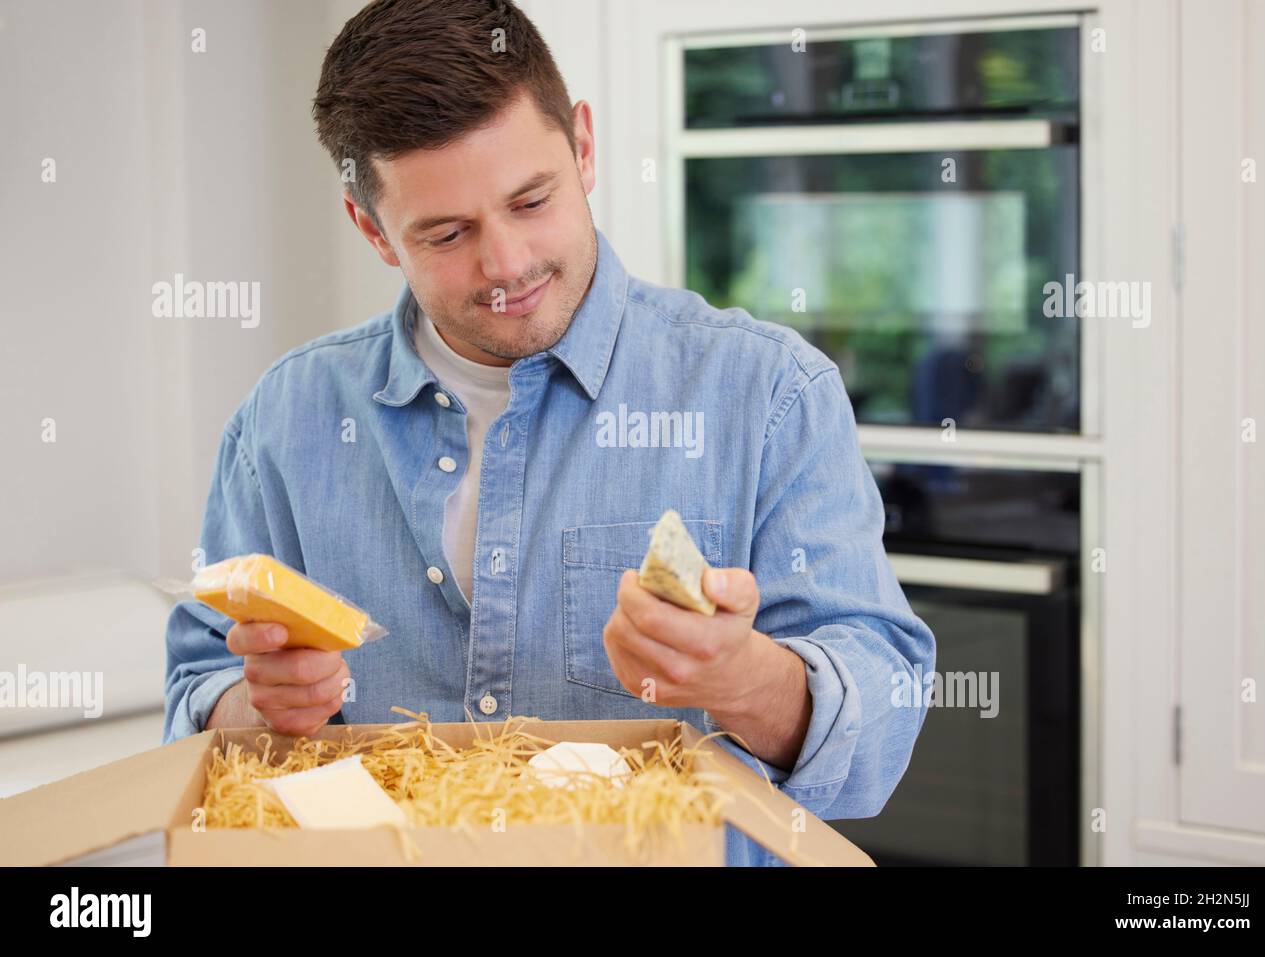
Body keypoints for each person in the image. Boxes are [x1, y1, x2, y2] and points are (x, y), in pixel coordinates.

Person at [164, 0, 936, 867]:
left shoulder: (767, 394)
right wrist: (256, 707)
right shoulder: (284, 419)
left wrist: (741, 676)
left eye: (532, 200)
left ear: (584, 147)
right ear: (372, 230)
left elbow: (882, 734)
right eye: (447, 233)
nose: (506, 265)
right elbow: (195, 693)